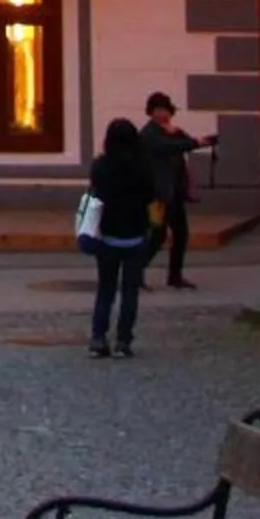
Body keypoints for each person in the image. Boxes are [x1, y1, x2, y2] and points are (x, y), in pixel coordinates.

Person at [84, 115, 155, 357]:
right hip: (135, 233)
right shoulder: (142, 165)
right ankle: (123, 341)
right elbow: (151, 194)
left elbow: (95, 194)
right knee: (130, 292)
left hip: (107, 235)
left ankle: (98, 338)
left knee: (105, 289)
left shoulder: (101, 166)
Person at [139, 91, 204, 289]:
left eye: (165, 109)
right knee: (156, 234)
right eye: (159, 109)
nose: (163, 113)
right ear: (152, 112)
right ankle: (136, 272)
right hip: (156, 195)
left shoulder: (171, 131)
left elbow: (183, 143)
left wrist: (181, 135)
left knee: (181, 233)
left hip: (174, 192)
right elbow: (168, 147)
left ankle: (175, 276)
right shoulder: (149, 133)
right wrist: (193, 142)